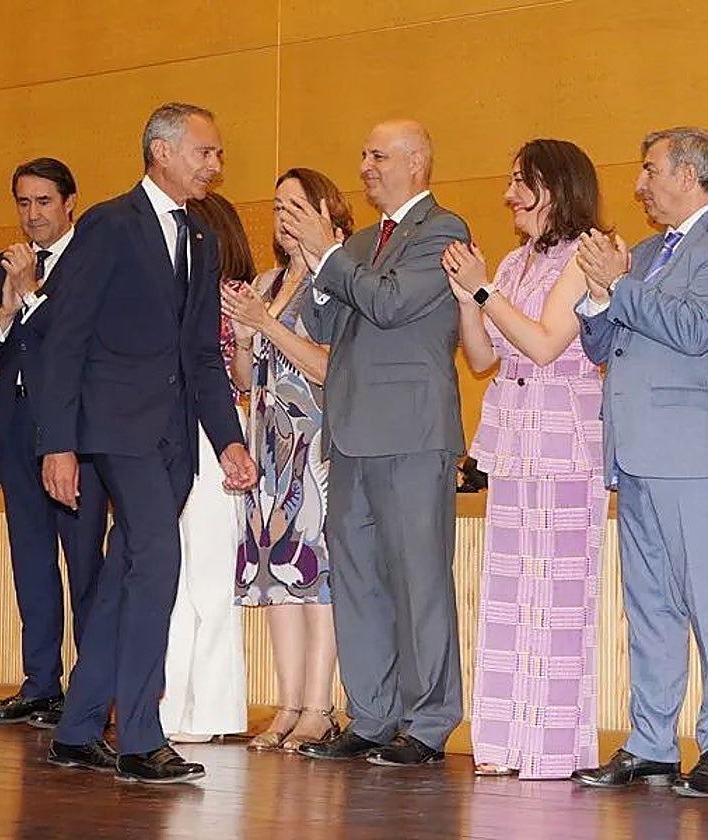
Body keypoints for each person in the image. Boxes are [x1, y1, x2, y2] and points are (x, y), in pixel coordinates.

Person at [38, 102, 257, 784]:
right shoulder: (108, 225)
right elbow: (64, 339)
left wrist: (227, 441)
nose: (215, 164)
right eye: (205, 151)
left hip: (173, 440)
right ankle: (140, 738)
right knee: (159, 560)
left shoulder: (202, 238)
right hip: (116, 431)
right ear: (162, 151)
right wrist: (57, 444)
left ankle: (77, 730)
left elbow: (202, 355)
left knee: (123, 577)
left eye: (218, 153)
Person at [569, 127, 708, 798]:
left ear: (687, 174)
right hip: (637, 451)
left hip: (701, 453)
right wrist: (598, 297)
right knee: (649, 606)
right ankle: (652, 743)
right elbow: (603, 344)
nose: (639, 184)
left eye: (650, 170)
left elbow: (692, 328)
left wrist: (618, 284)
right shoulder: (648, 252)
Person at [281, 119, 469, 767]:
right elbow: (327, 320)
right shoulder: (360, 241)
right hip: (352, 430)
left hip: (412, 431)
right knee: (358, 579)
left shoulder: (442, 231)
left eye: (378, 155)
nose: (364, 166)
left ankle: (428, 722)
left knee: (419, 578)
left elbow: (390, 305)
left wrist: (329, 258)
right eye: (362, 154)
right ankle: (371, 714)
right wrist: (316, 262)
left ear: (416, 163)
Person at [441, 138, 607, 779]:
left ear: (554, 188)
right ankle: (504, 742)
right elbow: (484, 357)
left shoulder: (584, 256)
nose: (509, 194)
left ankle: (551, 748)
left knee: (557, 598)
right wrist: (467, 299)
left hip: (564, 443)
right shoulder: (513, 261)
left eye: (521, 181)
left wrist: (483, 292)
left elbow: (543, 344)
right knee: (510, 595)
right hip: (512, 442)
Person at [0, 158, 108, 730]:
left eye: (44, 201)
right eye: (23, 203)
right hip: (17, 433)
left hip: (75, 435)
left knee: (85, 565)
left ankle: (91, 690)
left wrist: (32, 296)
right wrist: (5, 308)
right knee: (32, 564)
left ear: (70, 203)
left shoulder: (92, 262)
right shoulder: (1, 267)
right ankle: (41, 684)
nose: (33, 215)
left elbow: (83, 347)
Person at [222, 168, 352, 752]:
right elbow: (245, 378)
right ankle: (289, 702)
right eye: (277, 207)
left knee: (315, 576)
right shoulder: (268, 281)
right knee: (274, 576)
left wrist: (266, 324)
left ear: (326, 211)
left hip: (316, 446)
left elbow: (327, 366)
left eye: (295, 206)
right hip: (268, 449)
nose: (283, 217)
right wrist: (246, 335)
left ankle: (319, 707)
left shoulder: (337, 277)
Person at [159, 191, 253, 744]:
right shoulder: (176, 290)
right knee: (172, 577)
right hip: (172, 430)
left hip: (217, 432)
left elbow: (236, 377)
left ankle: (213, 709)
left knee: (211, 578)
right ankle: (171, 707)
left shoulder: (235, 296)